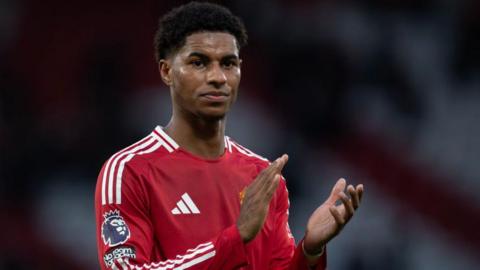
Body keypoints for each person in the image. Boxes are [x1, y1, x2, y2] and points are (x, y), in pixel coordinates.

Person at [94, 2, 364, 270]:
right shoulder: (129, 172)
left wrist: (310, 252)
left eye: (228, 63)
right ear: (167, 71)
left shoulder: (263, 177)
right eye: (198, 62)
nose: (217, 77)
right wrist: (235, 238)